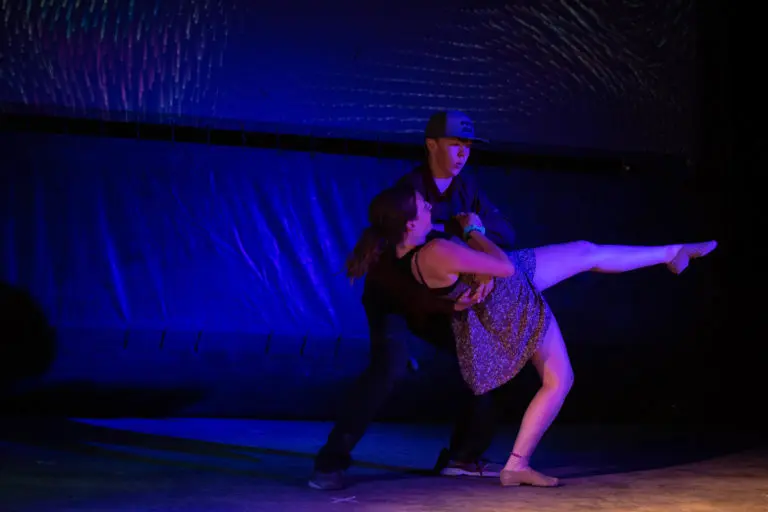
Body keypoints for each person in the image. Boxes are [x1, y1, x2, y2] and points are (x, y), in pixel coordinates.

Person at [345, 184, 717, 486]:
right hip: (511, 301)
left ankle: (672, 252)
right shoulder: (435, 251)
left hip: (514, 280)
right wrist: (475, 231)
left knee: (587, 252)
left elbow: (465, 280)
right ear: (408, 224)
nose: (429, 205)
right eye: (422, 205)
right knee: (560, 379)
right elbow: (501, 267)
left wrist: (462, 281)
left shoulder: (409, 252)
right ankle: (517, 465)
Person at [310, 113, 517, 491]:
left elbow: (504, 233)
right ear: (432, 145)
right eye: (455, 144)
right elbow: (397, 269)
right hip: (394, 298)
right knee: (388, 368)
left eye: (467, 146)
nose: (462, 154)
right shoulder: (409, 191)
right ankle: (330, 462)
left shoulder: (467, 189)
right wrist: (459, 237)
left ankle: (463, 456)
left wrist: (476, 242)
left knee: (488, 359)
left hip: (434, 301)